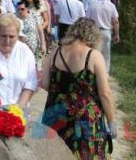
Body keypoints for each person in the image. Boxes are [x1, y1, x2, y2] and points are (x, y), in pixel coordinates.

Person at [41, 18, 117, 159]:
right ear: (93, 36)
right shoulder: (94, 56)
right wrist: (112, 121)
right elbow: (105, 93)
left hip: (55, 116)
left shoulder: (54, 53)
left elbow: (45, 84)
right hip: (85, 120)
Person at [86, 0, 120, 74]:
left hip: (94, 30)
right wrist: (117, 34)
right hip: (106, 31)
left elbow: (87, 20)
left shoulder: (92, 5)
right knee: (106, 53)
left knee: (94, 51)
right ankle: (105, 72)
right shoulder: (111, 6)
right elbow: (115, 21)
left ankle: (93, 70)